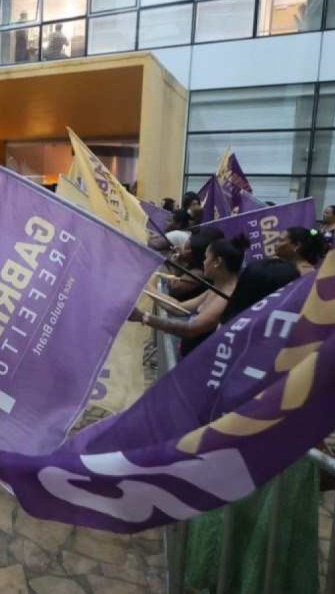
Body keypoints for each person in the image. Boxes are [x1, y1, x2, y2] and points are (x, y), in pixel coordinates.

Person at [184, 258, 318, 594]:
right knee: (262, 549)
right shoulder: (303, 343)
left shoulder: (229, 332)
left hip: (228, 453)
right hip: (276, 463)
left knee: (225, 537)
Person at [133, 236, 245, 357]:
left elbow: (190, 329)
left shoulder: (225, 297)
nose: (204, 262)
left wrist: (143, 317)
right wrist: (146, 285)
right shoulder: (218, 287)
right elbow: (178, 307)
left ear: (217, 262)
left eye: (206, 258)